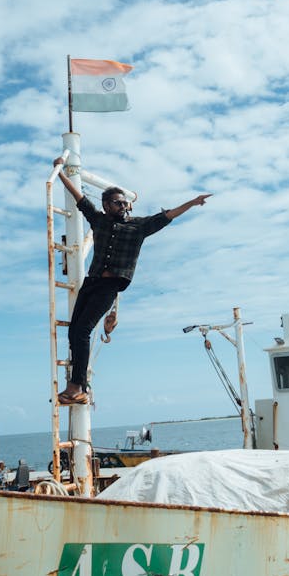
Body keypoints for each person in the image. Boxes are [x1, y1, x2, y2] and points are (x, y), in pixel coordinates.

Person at [53, 157, 211, 404]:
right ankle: (76, 386)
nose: (124, 205)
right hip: (91, 281)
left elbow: (168, 216)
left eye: (125, 202)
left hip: (111, 285)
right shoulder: (100, 220)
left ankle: (78, 387)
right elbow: (81, 200)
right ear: (106, 205)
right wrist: (61, 173)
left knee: (83, 330)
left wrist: (191, 202)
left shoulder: (139, 226)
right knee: (74, 332)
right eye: (118, 202)